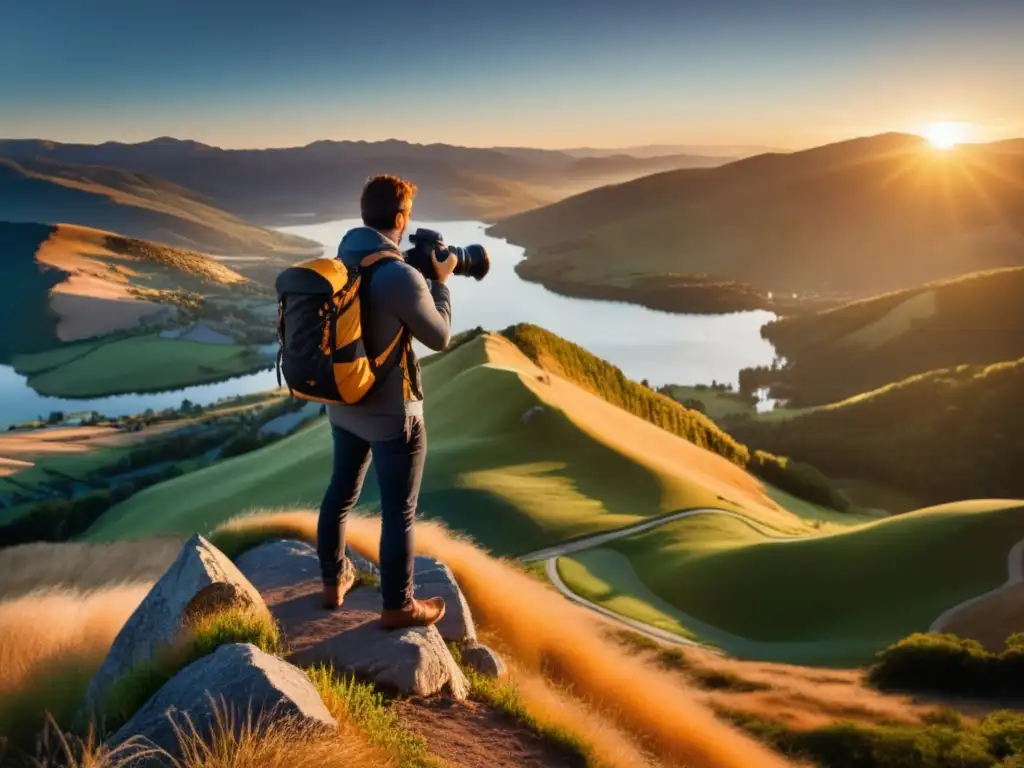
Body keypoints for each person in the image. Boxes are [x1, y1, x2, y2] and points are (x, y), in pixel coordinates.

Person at [317, 174, 455, 628]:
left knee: (340, 495)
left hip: (343, 402)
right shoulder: (399, 275)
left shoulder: (341, 262)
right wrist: (440, 282)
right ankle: (399, 605)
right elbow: (438, 336)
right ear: (399, 219)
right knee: (399, 511)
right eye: (407, 216)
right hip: (394, 417)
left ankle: (333, 582)